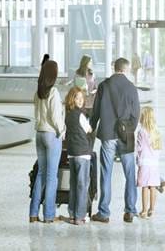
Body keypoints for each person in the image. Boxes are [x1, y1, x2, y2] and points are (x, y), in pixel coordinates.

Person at [90, 57, 141, 224]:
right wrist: (129, 128)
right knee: (129, 173)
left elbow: (96, 111)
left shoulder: (104, 86)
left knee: (106, 173)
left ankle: (104, 212)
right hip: (125, 134)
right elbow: (136, 114)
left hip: (107, 134)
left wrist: (91, 127)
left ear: (114, 68)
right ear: (125, 70)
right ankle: (130, 211)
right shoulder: (131, 88)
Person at [29, 58, 63, 224]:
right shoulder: (54, 92)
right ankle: (49, 214)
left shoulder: (38, 92)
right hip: (51, 135)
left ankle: (33, 213)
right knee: (51, 177)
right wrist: (62, 131)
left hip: (39, 134)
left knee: (41, 175)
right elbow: (56, 117)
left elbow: (37, 115)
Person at [62, 86, 93, 225]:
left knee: (73, 185)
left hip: (72, 153)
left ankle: (72, 214)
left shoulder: (67, 114)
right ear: (72, 99)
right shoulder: (81, 115)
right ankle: (80, 216)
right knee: (82, 185)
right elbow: (89, 130)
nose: (80, 101)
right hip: (83, 153)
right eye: (78, 98)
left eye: (82, 98)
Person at [135, 106, 164, 218]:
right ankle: (152, 209)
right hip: (154, 164)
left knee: (145, 187)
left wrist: (137, 160)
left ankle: (144, 210)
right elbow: (159, 148)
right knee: (153, 187)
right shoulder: (156, 131)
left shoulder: (141, 131)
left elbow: (139, 147)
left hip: (144, 163)